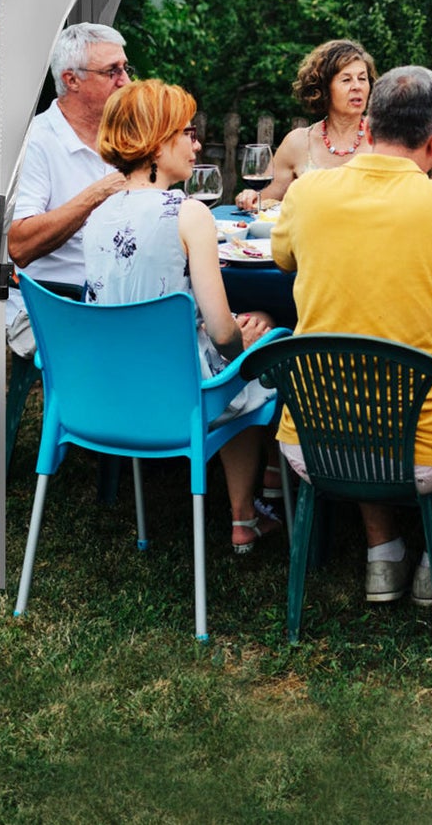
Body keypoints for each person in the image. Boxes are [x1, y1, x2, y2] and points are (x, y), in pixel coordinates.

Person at [270, 65, 432, 607]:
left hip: (312, 442)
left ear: (370, 125)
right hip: (426, 451)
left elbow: (281, 258)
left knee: (358, 385)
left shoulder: (308, 192)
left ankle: (382, 556)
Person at [82, 79, 280, 554]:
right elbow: (220, 332)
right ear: (154, 143)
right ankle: (249, 511)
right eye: (185, 134)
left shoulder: (96, 214)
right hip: (179, 396)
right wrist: (248, 341)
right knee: (263, 342)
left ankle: (249, 509)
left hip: (109, 392)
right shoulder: (188, 213)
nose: (195, 144)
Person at [6, 23, 133, 359]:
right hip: (55, 307)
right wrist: (97, 194)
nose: (126, 82)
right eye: (112, 72)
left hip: (120, 295)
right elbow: (19, 245)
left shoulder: (124, 133)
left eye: (125, 68)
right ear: (71, 80)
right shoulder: (37, 142)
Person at [233, 39, 377, 211]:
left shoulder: (385, 140)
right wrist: (247, 197)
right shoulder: (298, 143)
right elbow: (259, 201)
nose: (357, 86)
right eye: (346, 80)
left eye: (362, 78)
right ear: (323, 89)